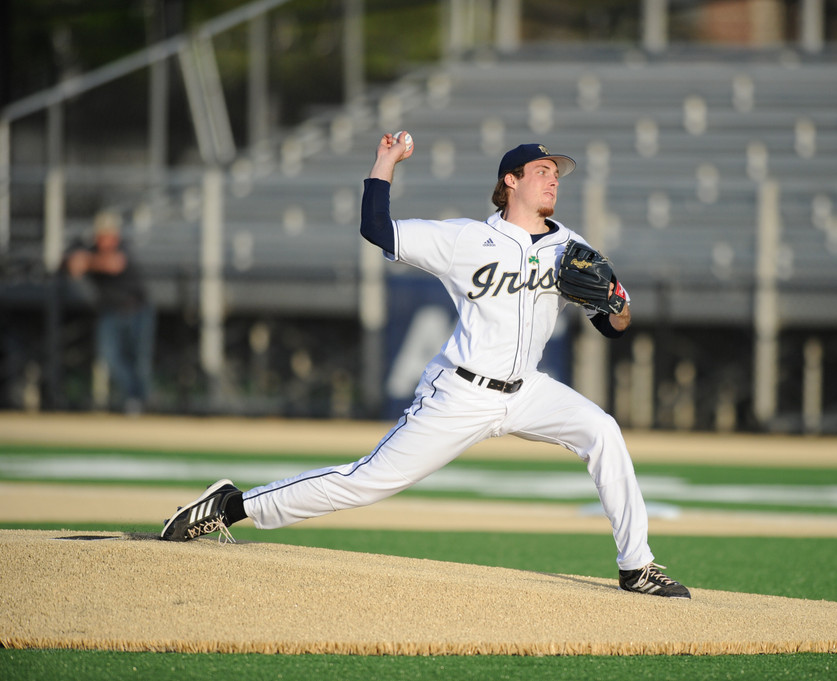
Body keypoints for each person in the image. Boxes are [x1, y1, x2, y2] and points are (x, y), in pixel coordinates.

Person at [160, 133, 691, 599]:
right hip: (462, 392)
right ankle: (229, 506)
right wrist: (385, 162)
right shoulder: (465, 239)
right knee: (368, 482)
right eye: (543, 171)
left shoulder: (570, 247)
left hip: (528, 390)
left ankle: (636, 568)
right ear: (511, 181)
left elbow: (611, 325)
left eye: (558, 173)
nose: (554, 180)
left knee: (602, 431)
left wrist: (618, 305)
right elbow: (377, 228)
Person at [65, 211, 156, 414]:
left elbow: (113, 264)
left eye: (110, 234)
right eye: (102, 234)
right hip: (111, 312)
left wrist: (88, 262)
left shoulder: (124, 247)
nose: (106, 239)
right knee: (110, 358)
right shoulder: (89, 248)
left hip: (137, 309)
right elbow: (71, 264)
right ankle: (134, 399)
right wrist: (87, 260)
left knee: (139, 360)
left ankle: (142, 402)